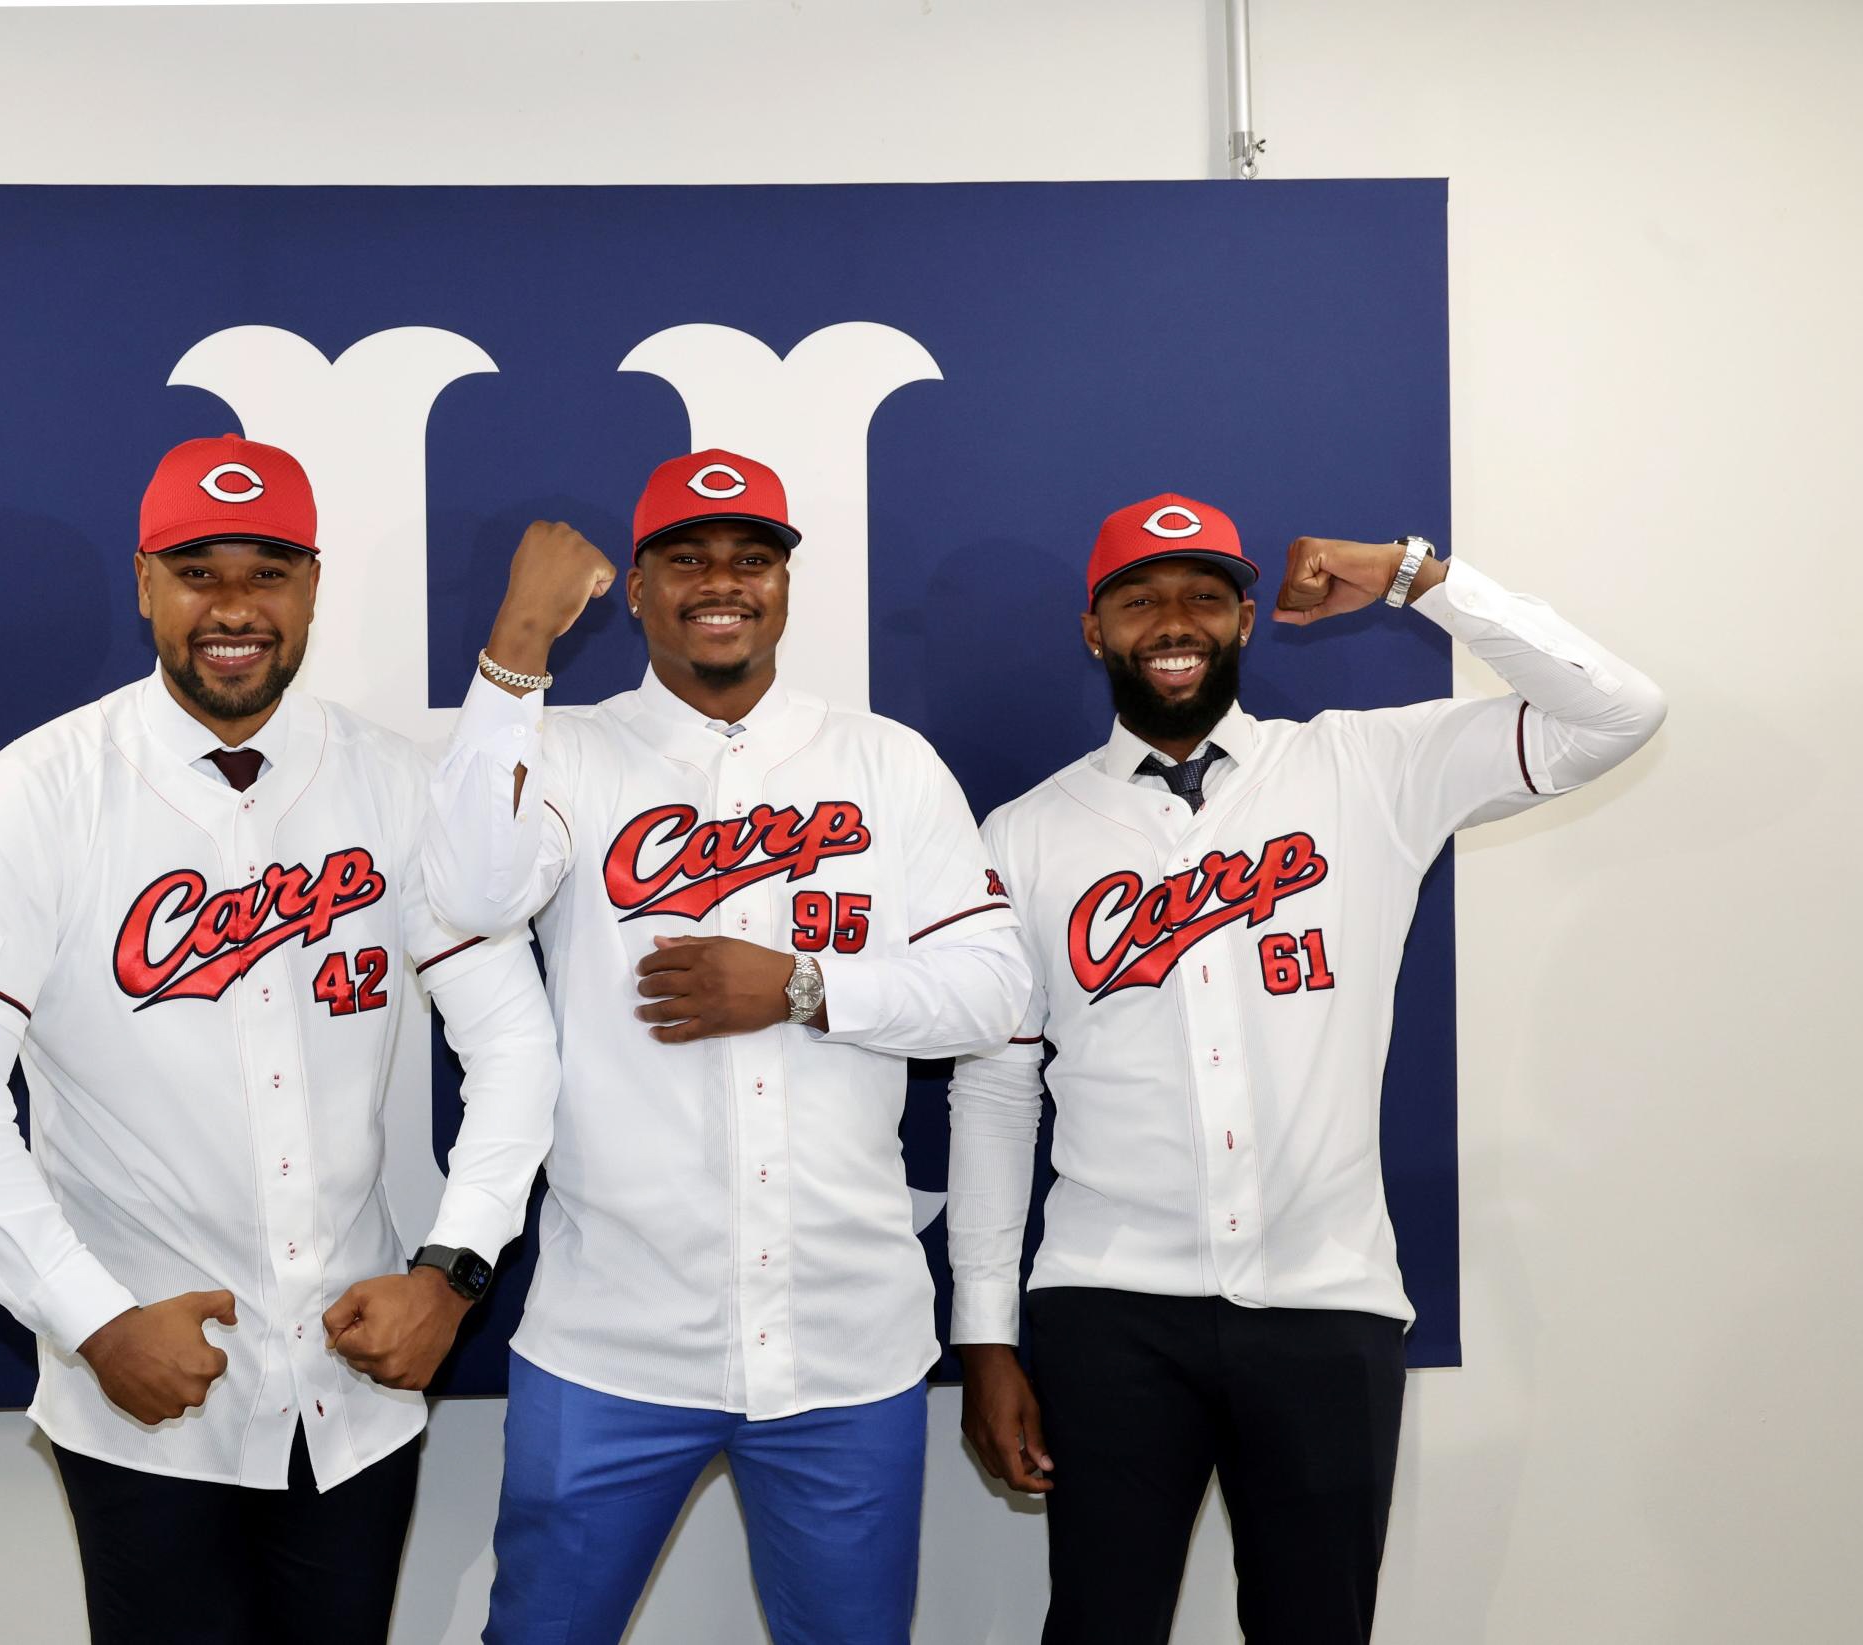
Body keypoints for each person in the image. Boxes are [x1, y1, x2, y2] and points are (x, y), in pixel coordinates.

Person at [948, 496, 1667, 1644]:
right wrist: (985, 1336)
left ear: (1245, 619)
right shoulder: (1024, 834)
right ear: (1093, 630)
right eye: (1138, 599)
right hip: (1108, 1305)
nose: (1171, 621)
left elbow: (1619, 711)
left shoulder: (1363, 766)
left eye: (1202, 595)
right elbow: (994, 1091)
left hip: (1326, 1300)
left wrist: (1415, 576)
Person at [0, 434, 559, 1645]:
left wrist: (453, 1276)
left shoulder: (392, 784)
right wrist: (91, 1319)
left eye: (267, 573)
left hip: (353, 1390)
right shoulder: (38, 791)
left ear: (312, 587)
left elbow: (513, 1038)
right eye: (199, 573)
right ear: (145, 583)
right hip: (146, 1394)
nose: (234, 608)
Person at [422, 449, 1032, 1644]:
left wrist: (803, 987)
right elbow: (473, 891)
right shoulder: (567, 751)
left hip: (844, 1345)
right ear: (638, 587)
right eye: (686, 558)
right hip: (612, 1340)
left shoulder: (885, 761)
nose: (722, 582)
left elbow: (994, 993)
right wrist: (520, 640)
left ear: (784, 585)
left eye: (752, 558)